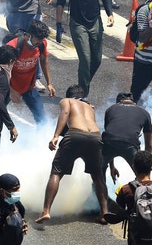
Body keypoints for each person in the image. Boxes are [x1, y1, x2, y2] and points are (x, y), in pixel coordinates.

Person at [35, 85, 109, 224]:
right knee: (97, 176)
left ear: (68, 96)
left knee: (56, 173)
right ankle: (104, 212)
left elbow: (65, 113)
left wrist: (56, 135)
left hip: (75, 134)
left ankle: (46, 211)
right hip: (95, 137)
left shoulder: (66, 101)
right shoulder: (89, 107)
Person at [55, 0, 114, 97]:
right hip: (78, 23)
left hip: (95, 21)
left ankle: (81, 86)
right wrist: (58, 23)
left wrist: (110, 14)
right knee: (85, 59)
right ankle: (82, 95)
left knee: (97, 59)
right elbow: (61, 2)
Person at [6, 20, 56, 126]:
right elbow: (2, 72)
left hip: (29, 87)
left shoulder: (41, 44)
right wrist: (11, 90)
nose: (39, 44)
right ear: (28, 36)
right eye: (37, 41)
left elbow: (44, 60)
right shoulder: (13, 47)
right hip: (9, 86)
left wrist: (49, 83)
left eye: (41, 41)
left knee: (42, 119)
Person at [102, 92, 152, 184]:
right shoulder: (145, 113)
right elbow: (148, 145)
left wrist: (111, 167)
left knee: (98, 175)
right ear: (134, 102)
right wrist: (146, 170)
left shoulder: (110, 109)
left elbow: (109, 136)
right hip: (131, 143)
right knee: (141, 175)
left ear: (118, 102)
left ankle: (100, 197)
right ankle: (145, 193)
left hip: (109, 144)